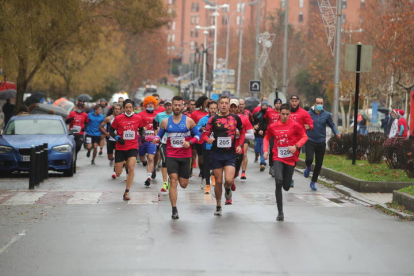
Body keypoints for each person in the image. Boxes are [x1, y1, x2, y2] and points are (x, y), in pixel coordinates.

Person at [153, 96, 201, 219]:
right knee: (173, 180)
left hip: (185, 156)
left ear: (183, 106)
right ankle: (174, 209)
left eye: (180, 105)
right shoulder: (165, 122)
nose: (177, 107)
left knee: (183, 184)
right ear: (172, 106)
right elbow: (159, 135)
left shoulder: (189, 121)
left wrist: (190, 143)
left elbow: (198, 136)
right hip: (171, 155)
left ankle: (180, 178)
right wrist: (157, 139)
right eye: (175, 105)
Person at [263, 103, 308, 221]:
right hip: (277, 157)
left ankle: (288, 182)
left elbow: (304, 137)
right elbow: (266, 137)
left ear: (290, 114)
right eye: (283, 114)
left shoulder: (295, 125)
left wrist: (296, 146)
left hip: (290, 160)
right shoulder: (273, 126)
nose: (285, 116)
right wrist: (265, 151)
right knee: (278, 182)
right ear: (279, 113)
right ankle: (280, 212)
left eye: (287, 114)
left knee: (286, 187)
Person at [203, 96, 245, 216]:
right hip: (216, 154)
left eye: (227, 103)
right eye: (222, 103)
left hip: (230, 154)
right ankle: (218, 204)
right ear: (218, 105)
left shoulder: (235, 118)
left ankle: (228, 190)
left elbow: (242, 132)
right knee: (219, 181)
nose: (224, 105)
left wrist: (240, 145)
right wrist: (208, 139)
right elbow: (204, 135)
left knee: (229, 180)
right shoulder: (213, 119)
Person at [109, 99, 143, 201]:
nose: (128, 109)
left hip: (132, 146)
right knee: (118, 173)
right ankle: (123, 163)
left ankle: (127, 192)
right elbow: (111, 131)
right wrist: (117, 138)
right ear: (123, 108)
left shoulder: (138, 118)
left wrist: (143, 136)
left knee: (131, 168)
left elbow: (141, 129)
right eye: (127, 107)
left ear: (133, 108)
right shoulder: (118, 118)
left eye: (130, 107)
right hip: (120, 147)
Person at [303, 98, 341, 191]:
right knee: (309, 159)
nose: (320, 104)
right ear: (314, 103)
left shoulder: (326, 115)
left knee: (319, 163)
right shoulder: (309, 114)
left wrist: (337, 132)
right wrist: (305, 127)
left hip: (321, 141)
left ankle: (313, 182)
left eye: (321, 103)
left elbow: (332, 125)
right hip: (310, 140)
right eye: (318, 103)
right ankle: (308, 167)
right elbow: (303, 123)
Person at [230, 99, 254, 188]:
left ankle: (237, 173)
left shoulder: (244, 119)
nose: (232, 109)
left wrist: (239, 134)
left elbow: (252, 136)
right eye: (231, 106)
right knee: (227, 173)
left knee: (235, 172)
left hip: (239, 149)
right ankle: (228, 187)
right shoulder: (222, 118)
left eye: (234, 107)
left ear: (237, 108)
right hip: (226, 149)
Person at [197, 100, 218, 194]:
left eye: (214, 108)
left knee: (216, 165)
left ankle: (213, 176)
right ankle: (207, 185)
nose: (213, 110)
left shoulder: (220, 119)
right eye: (211, 108)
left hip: (218, 147)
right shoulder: (203, 119)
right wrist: (201, 129)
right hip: (207, 145)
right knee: (206, 166)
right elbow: (196, 129)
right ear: (208, 109)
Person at [138, 95, 160, 186]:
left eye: (152, 104)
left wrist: (158, 130)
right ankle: (143, 162)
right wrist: (142, 128)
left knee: (151, 158)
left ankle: (148, 177)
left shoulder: (157, 115)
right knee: (142, 157)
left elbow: (160, 125)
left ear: (154, 105)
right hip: (142, 139)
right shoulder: (140, 115)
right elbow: (137, 126)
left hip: (152, 140)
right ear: (145, 105)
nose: (150, 105)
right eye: (148, 104)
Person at [153, 99, 173, 192]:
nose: (169, 107)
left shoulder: (177, 115)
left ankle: (171, 179)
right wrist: (155, 132)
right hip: (163, 141)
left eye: (170, 105)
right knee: (165, 161)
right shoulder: (160, 115)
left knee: (172, 161)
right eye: (167, 105)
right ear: (164, 107)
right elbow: (154, 121)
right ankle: (165, 182)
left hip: (174, 141)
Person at [190, 96, 209, 186]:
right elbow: (191, 126)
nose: (207, 104)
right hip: (198, 139)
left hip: (208, 139)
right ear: (202, 103)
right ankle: (201, 169)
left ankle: (204, 173)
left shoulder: (210, 113)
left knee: (206, 157)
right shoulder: (194, 113)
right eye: (206, 102)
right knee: (199, 157)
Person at [99, 103, 122, 178]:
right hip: (111, 140)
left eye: (118, 109)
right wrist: (106, 133)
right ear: (113, 110)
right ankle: (112, 159)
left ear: (121, 110)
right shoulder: (109, 118)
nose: (117, 110)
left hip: (119, 140)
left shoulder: (123, 118)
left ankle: (114, 171)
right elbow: (101, 127)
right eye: (115, 109)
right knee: (110, 157)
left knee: (118, 156)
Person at [265, 98, 282, 177]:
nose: (278, 105)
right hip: (271, 134)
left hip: (280, 134)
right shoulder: (269, 111)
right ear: (274, 104)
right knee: (272, 150)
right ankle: (271, 166)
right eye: (277, 103)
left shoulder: (283, 113)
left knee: (278, 151)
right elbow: (264, 119)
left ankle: (277, 168)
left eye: (279, 103)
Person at [238, 99, 253, 180]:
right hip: (235, 137)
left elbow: (251, 123)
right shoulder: (234, 113)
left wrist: (253, 129)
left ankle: (243, 172)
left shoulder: (248, 113)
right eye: (239, 104)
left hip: (245, 136)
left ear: (244, 105)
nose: (241, 106)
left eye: (242, 104)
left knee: (244, 153)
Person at [253, 102, 269, 171]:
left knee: (263, 150)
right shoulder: (256, 114)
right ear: (261, 106)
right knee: (257, 149)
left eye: (266, 106)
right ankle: (257, 156)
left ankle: (262, 163)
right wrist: (255, 128)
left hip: (265, 135)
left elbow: (269, 124)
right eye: (263, 105)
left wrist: (265, 131)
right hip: (257, 135)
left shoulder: (269, 115)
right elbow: (253, 123)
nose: (264, 107)